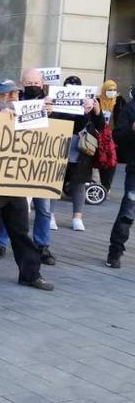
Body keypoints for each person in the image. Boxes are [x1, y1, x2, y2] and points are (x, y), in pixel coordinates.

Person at [0, 80, 53, 291]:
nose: (13, 99)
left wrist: (47, 112)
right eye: (8, 95)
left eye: (16, 95)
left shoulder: (25, 114)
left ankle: (30, 274)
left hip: (16, 182)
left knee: (20, 231)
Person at [0, 68, 57, 263]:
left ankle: (42, 245)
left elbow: (74, 126)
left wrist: (52, 114)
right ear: (21, 83)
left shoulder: (52, 104)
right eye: (28, 83)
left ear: (42, 83)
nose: (32, 86)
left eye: (35, 83)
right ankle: (0, 243)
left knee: (44, 208)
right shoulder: (14, 103)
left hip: (42, 163)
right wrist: (4, 112)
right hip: (18, 162)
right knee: (11, 205)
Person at [57, 75, 105, 232]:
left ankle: (77, 217)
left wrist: (96, 111)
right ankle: (49, 215)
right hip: (59, 145)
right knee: (55, 180)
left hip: (81, 149)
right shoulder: (59, 101)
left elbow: (101, 127)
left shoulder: (90, 101)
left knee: (79, 182)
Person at [106, 93, 135, 268]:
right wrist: (132, 129)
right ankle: (115, 251)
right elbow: (117, 135)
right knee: (128, 212)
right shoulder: (131, 107)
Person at [97, 80, 126, 190]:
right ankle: (97, 183)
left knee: (111, 162)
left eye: (114, 90)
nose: (112, 92)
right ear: (104, 90)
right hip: (98, 135)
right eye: (109, 90)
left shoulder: (119, 102)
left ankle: (106, 186)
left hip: (112, 138)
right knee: (99, 160)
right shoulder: (98, 100)